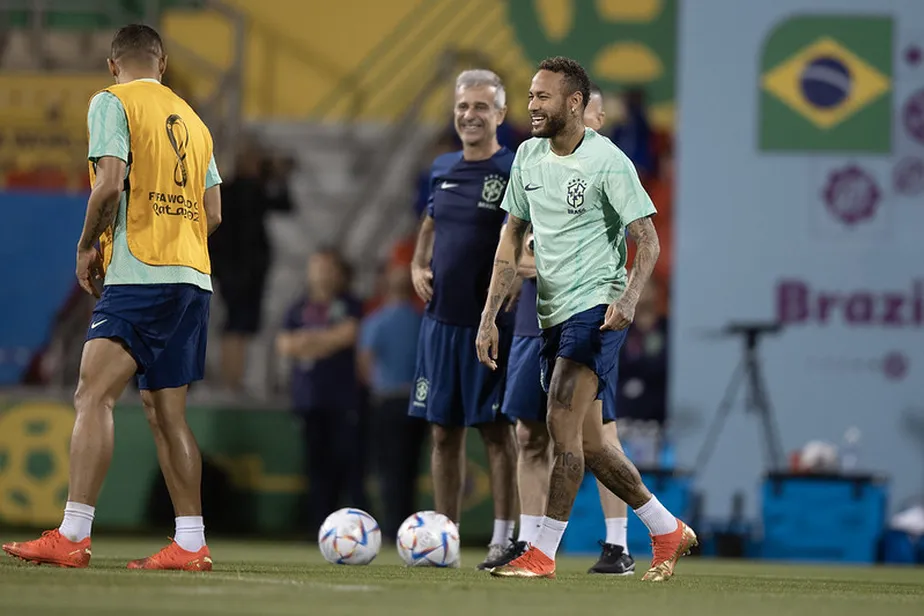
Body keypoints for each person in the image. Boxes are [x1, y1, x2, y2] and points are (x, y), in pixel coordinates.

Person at [2, 24, 221, 571]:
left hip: (139, 272)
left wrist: (86, 248)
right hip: (192, 276)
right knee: (166, 412)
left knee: (92, 394)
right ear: (163, 63)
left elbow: (109, 182)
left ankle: (73, 533)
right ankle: (191, 543)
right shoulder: (195, 122)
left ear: (112, 65)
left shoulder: (112, 102)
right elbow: (214, 213)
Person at [476, 57, 696, 582]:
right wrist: (489, 315)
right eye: (530, 96)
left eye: (543, 97)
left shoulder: (608, 161)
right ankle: (667, 528)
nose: (532, 106)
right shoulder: (527, 157)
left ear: (574, 103)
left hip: (595, 308)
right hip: (551, 313)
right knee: (594, 445)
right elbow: (510, 238)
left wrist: (631, 296)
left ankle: (541, 552)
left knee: (557, 420)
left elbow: (648, 238)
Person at [482, 83, 636, 576]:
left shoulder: (606, 168)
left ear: (594, 117)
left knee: (598, 437)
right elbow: (518, 246)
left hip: (588, 315)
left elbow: (545, 252)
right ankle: (530, 540)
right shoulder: (536, 163)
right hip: (534, 320)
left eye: (590, 116)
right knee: (529, 433)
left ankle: (618, 543)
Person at [409, 69, 519, 568]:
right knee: (441, 432)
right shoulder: (442, 167)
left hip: (488, 328)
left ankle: (503, 537)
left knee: (495, 433)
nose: (470, 115)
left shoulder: (516, 168)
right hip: (439, 324)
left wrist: (505, 298)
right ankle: (443, 538)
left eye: (481, 107)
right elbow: (430, 219)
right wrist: (417, 261)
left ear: (500, 114)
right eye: (463, 107)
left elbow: (525, 239)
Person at [276, 248, 366, 531]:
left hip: (343, 399)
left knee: (348, 465)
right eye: (316, 267)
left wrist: (309, 341)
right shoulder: (298, 306)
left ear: (339, 273)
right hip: (308, 400)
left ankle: (358, 526)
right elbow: (285, 345)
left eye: (326, 268)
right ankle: (320, 527)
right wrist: (326, 340)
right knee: (315, 468)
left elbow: (348, 335)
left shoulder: (350, 304)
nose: (320, 274)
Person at [358, 263, 427, 539]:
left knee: (388, 469)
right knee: (409, 468)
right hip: (415, 403)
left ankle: (392, 527)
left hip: (387, 402)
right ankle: (408, 526)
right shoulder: (420, 320)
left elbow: (364, 363)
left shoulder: (376, 320)